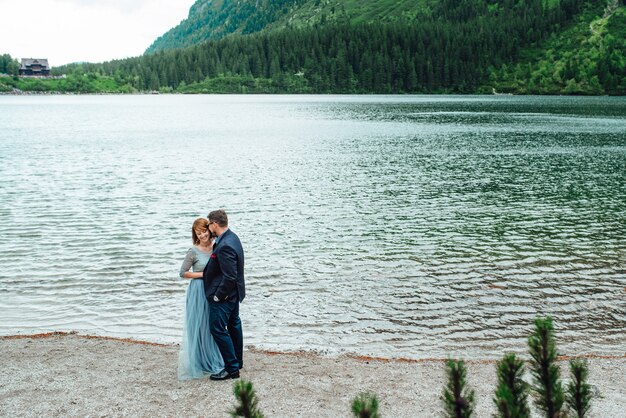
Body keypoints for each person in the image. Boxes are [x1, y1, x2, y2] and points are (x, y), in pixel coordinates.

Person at [178, 218, 224, 380]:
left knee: (212, 325)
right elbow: (182, 273)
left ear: (209, 230)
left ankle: (212, 357)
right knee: (198, 326)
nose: (203, 235)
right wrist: (204, 275)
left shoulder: (217, 246)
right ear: (195, 235)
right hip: (198, 291)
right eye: (199, 233)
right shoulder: (193, 251)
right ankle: (199, 360)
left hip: (214, 289)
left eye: (204, 231)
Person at [203, 209, 245, 381]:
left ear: (214, 224)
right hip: (235, 293)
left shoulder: (225, 244)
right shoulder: (232, 237)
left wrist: (218, 296)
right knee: (234, 325)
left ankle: (232, 368)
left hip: (225, 296)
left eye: (209, 224)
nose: (209, 228)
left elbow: (229, 276)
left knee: (217, 329)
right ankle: (237, 361)